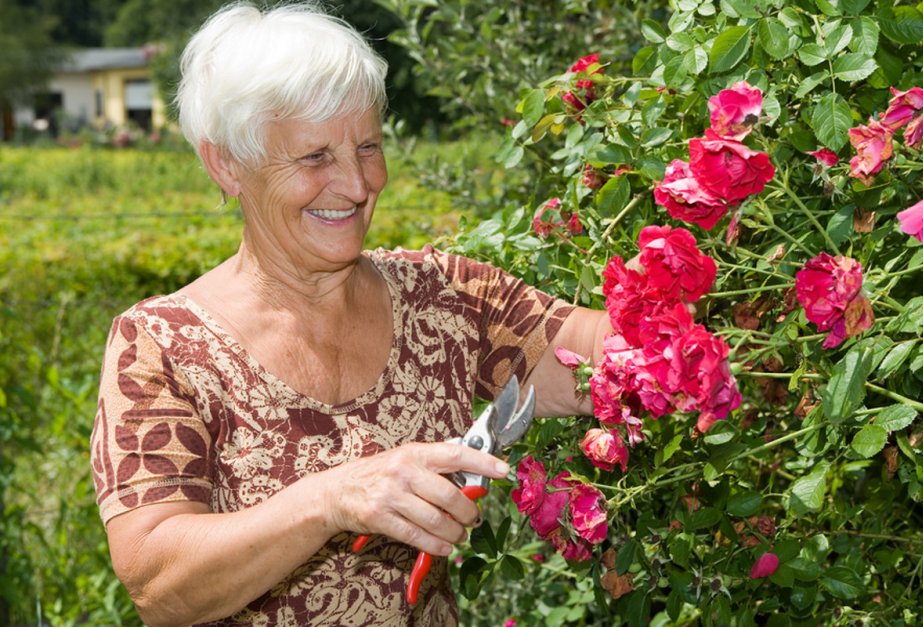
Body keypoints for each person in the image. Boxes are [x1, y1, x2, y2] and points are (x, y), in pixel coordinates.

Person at [89, 3, 611, 625]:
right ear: (226, 164)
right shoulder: (162, 347)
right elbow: (160, 585)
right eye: (314, 158)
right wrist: (329, 500)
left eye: (368, 147)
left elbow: (612, 357)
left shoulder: (443, 298)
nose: (357, 184)